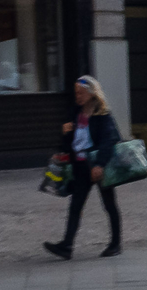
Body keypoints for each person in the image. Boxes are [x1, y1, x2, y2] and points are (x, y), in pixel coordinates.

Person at [45, 75, 123, 259]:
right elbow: (70, 144)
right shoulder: (75, 113)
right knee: (75, 206)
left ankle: (116, 243)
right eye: (76, 93)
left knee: (109, 204)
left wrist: (100, 165)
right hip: (80, 166)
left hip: (97, 167)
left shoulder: (102, 115)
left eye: (81, 93)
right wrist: (65, 137)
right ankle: (67, 246)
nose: (78, 96)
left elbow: (109, 141)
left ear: (91, 93)